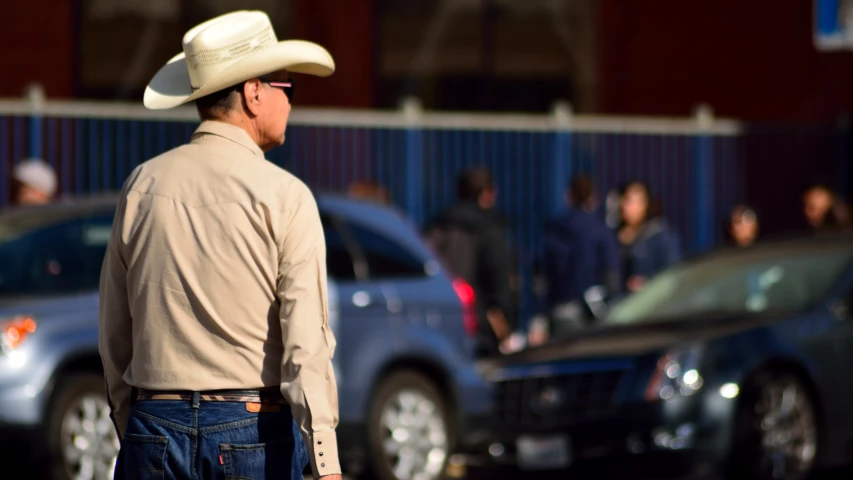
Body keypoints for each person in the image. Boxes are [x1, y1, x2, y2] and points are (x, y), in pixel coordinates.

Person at [98, 11, 341, 480]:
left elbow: (114, 331)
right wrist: (326, 460)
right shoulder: (285, 195)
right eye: (286, 88)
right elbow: (305, 347)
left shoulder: (141, 185)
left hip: (154, 422)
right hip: (252, 428)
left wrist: (134, 423)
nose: (290, 104)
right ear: (254, 92)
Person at [424, 167, 515, 357]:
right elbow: (498, 282)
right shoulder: (488, 229)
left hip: (439, 317)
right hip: (478, 323)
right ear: (487, 193)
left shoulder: (439, 225)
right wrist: (505, 324)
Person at [538, 175, 620, 335]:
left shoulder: (554, 230)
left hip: (559, 310)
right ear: (593, 198)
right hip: (593, 314)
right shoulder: (601, 231)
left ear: (569, 197)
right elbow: (611, 274)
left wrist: (540, 312)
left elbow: (541, 275)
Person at [617, 180, 681, 293]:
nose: (625, 206)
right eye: (624, 199)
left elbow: (671, 272)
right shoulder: (617, 235)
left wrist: (647, 283)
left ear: (646, 204)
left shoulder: (658, 234)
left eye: (631, 201)